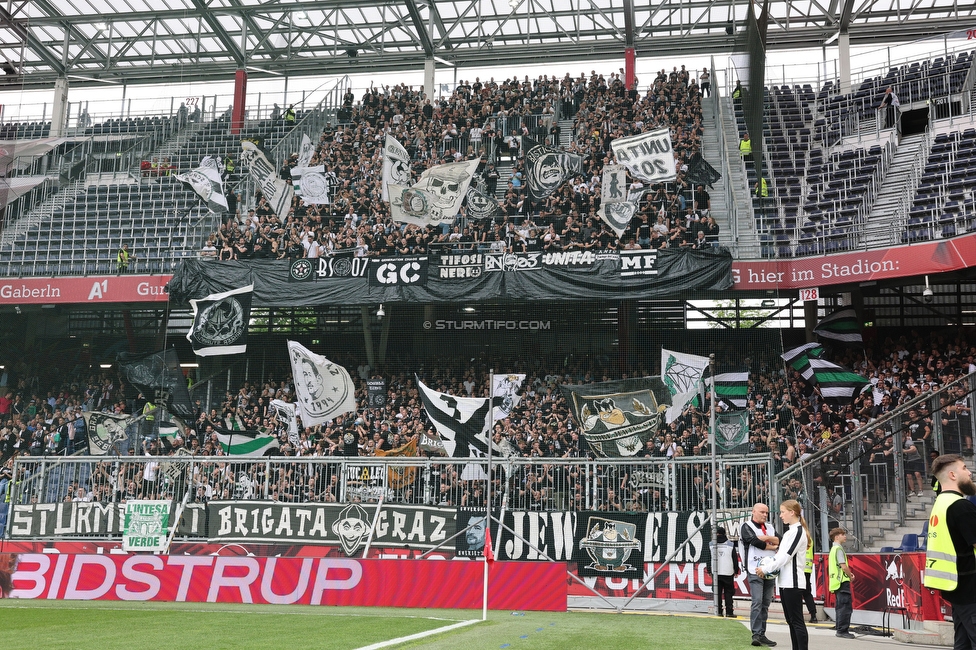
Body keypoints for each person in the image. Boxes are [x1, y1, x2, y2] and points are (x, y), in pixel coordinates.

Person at [923, 454, 976, 649]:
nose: (969, 472)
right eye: (964, 468)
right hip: (970, 588)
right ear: (953, 474)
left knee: (963, 643)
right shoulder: (961, 507)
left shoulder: (940, 504)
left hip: (956, 587)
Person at [757, 499, 811, 650]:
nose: (780, 515)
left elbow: (785, 557)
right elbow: (779, 555)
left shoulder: (798, 531)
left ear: (792, 512)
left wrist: (765, 569)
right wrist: (766, 566)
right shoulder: (790, 532)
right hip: (785, 583)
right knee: (791, 621)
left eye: (782, 512)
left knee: (797, 621)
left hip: (793, 583)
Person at [741, 502, 780, 647]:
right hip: (754, 569)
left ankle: (762, 633)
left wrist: (766, 539)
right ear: (753, 512)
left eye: (766, 512)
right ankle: (756, 634)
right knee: (757, 602)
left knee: (765, 603)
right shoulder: (746, 526)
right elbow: (754, 541)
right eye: (762, 512)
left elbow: (780, 540)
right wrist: (772, 543)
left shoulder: (770, 527)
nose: (765, 515)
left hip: (769, 570)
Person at [829, 527, 855, 639]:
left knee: (840, 607)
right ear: (836, 537)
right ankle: (843, 630)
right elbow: (843, 566)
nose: (845, 536)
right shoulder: (838, 549)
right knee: (845, 607)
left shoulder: (833, 549)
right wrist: (851, 575)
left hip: (836, 582)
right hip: (842, 581)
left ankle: (840, 628)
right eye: (842, 534)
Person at [710, 525, 740, 617]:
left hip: (716, 572)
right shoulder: (730, 544)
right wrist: (736, 570)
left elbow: (708, 558)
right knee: (728, 593)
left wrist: (708, 570)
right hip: (728, 572)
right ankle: (729, 612)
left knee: (717, 593)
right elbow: (735, 559)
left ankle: (718, 611)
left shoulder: (711, 544)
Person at [802, 540, 818, 623]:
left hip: (798, 568)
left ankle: (798, 617)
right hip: (808, 569)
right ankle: (813, 615)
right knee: (807, 593)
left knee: (796, 594)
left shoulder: (796, 535)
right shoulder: (810, 539)